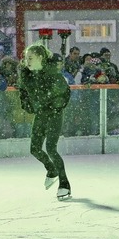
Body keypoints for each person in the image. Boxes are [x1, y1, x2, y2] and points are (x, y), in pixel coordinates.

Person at [18, 43, 72, 200]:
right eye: (26, 58)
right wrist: (28, 105)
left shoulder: (53, 74)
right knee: (34, 149)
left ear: (40, 58)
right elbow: (23, 92)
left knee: (51, 148)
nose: (27, 61)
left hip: (54, 113)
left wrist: (56, 105)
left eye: (30, 58)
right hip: (41, 113)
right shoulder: (27, 76)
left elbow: (65, 93)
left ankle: (64, 184)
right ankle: (51, 170)